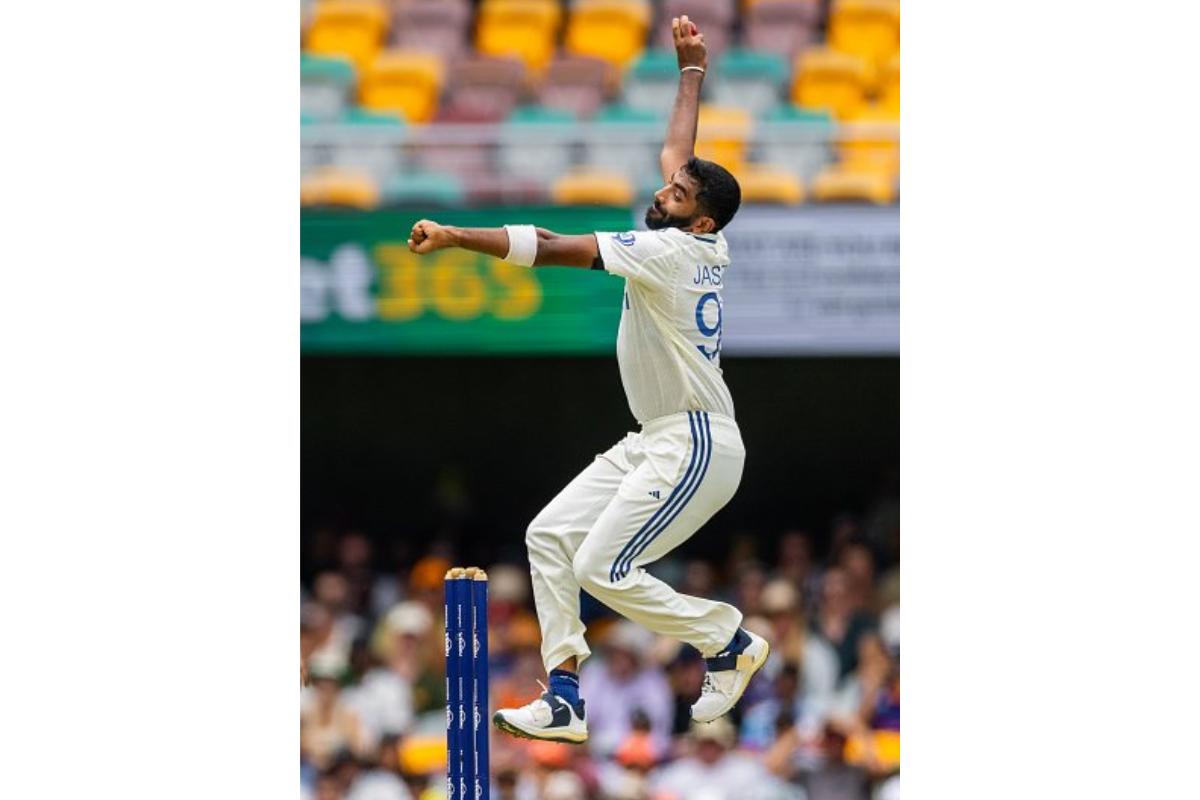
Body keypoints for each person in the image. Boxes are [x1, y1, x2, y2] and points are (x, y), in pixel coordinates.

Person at [405, 15, 765, 745]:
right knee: (550, 537)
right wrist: (691, 69)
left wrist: (455, 237)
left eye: (677, 195)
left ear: (698, 223)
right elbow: (678, 153)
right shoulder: (694, 235)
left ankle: (726, 639)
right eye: (669, 187)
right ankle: (565, 692)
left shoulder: (667, 253)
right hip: (658, 438)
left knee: (604, 567)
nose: (664, 192)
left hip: (695, 440)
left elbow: (550, 245)